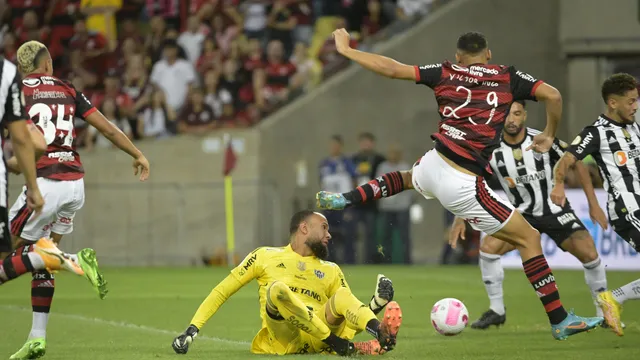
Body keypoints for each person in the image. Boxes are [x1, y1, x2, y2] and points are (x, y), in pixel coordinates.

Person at [316, 30, 603, 339]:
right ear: (489, 54)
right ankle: (559, 319)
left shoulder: (445, 71)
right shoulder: (508, 77)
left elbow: (392, 68)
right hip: (463, 180)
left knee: (407, 178)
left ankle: (346, 198)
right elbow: (554, 96)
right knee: (529, 238)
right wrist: (549, 131)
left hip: (435, 161)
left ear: (458, 57)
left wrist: (346, 50)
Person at [6, 40, 151, 360]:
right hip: (74, 186)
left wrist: (13, 166)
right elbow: (108, 129)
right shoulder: (68, 89)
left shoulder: (16, 92)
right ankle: (37, 337)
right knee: (42, 254)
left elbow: (23, 146)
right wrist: (137, 153)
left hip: (45, 184)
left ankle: (73, 260)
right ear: (47, 64)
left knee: (10, 256)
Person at [459, 100, 610, 329]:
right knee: (488, 248)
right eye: (508, 115)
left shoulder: (542, 139)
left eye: (517, 114)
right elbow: (471, 175)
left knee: (590, 254)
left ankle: (604, 312)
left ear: (525, 116)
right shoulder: (491, 146)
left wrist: (593, 204)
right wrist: (460, 216)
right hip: (520, 215)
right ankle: (497, 310)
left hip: (554, 211)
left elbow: (576, 162)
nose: (512, 120)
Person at [172, 210, 402, 356]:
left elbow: (348, 317)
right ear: (304, 228)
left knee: (341, 296)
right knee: (277, 290)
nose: (329, 235)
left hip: (320, 339)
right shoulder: (264, 256)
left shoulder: (331, 269)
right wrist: (192, 329)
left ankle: (379, 331)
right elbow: (222, 291)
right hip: (284, 336)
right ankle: (346, 345)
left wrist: (372, 307)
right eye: (324, 227)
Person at [551, 73, 640, 337]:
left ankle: (613, 298)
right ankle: (614, 297)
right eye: (631, 101)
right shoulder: (596, 133)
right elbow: (568, 160)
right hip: (628, 210)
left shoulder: (633, 127)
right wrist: (558, 185)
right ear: (613, 103)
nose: (635, 106)